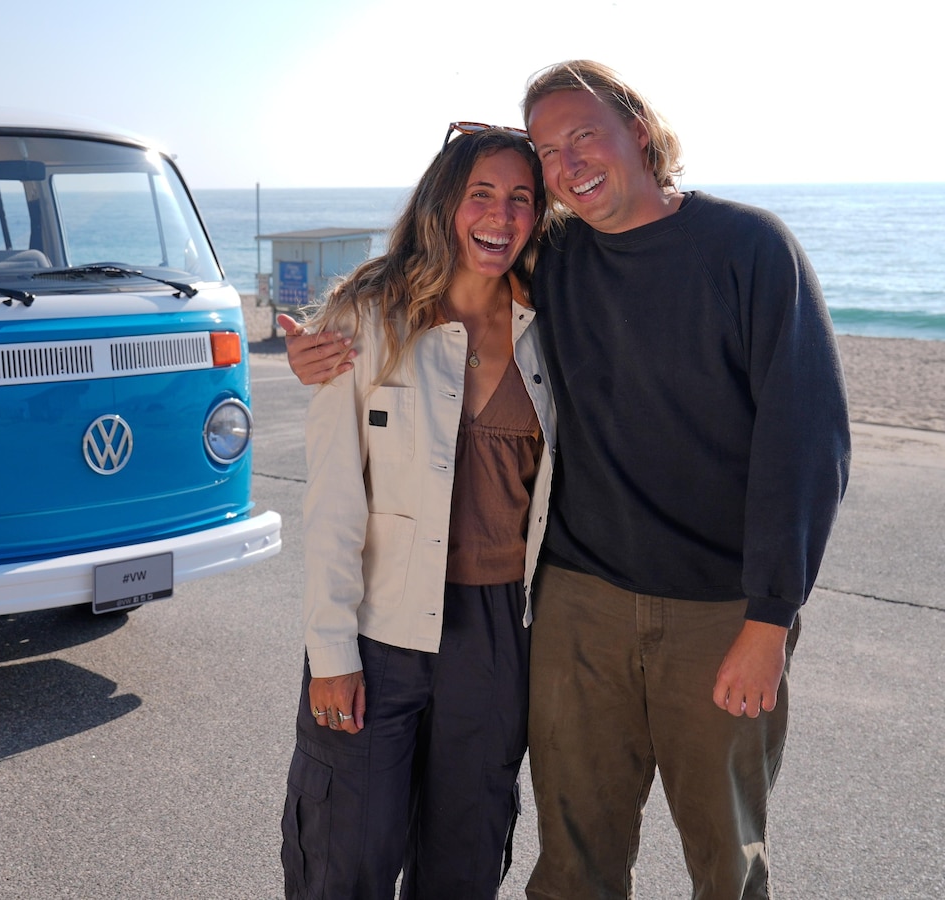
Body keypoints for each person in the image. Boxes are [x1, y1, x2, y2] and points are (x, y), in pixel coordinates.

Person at [282, 61, 851, 900]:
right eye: (549, 151)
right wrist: (319, 347)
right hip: (546, 608)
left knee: (715, 862)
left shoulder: (725, 254)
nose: (566, 164)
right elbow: (336, 491)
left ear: (642, 133)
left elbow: (808, 443)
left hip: (676, 615)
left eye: (583, 136)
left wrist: (772, 616)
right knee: (540, 861)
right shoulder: (488, 284)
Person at [280, 125, 555, 899]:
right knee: (345, 861)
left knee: (464, 864)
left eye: (521, 199)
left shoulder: (554, 328)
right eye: (482, 194)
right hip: (377, 633)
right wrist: (330, 654)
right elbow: (332, 503)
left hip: (500, 637)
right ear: (445, 201)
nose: (500, 216)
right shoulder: (364, 318)